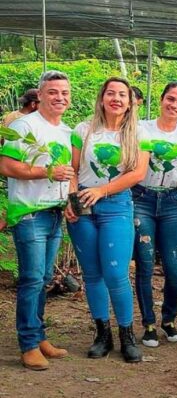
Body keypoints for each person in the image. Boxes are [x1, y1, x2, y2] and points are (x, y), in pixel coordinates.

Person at [65, 77, 149, 363]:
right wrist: (72, 198)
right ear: (102, 98)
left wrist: (102, 190)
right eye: (110, 93)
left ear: (129, 102)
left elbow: (137, 174)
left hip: (116, 205)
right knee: (92, 274)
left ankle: (127, 335)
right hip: (84, 207)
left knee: (116, 273)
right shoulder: (83, 130)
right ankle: (103, 334)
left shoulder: (138, 133)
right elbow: (72, 169)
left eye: (122, 94)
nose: (116, 98)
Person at [0, 71, 73, 370]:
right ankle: (28, 344)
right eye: (53, 92)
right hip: (30, 213)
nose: (60, 97)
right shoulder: (25, 126)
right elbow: (6, 165)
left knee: (42, 279)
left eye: (65, 93)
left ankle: (39, 336)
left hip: (54, 212)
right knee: (32, 279)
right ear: (40, 95)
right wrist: (48, 172)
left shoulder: (66, 131)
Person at [133, 82, 177, 347]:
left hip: (172, 200)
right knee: (145, 265)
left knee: (174, 268)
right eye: (170, 99)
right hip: (142, 198)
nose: (174, 105)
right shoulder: (141, 128)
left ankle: (168, 321)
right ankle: (148, 324)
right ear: (161, 100)